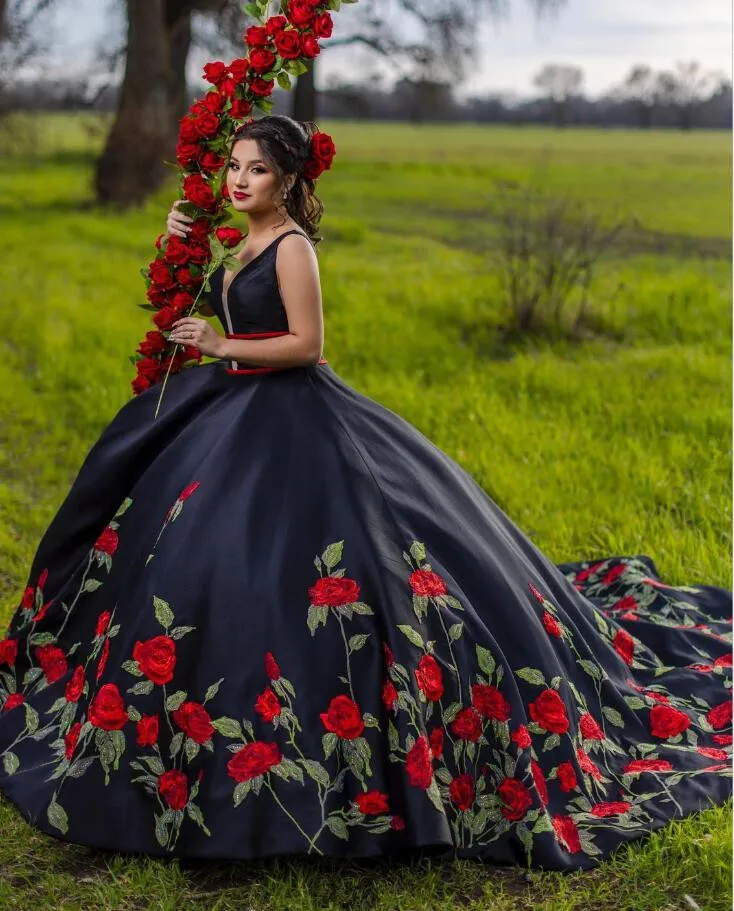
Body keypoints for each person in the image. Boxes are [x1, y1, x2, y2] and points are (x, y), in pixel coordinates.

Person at [0, 114, 730, 871]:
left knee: (337, 568)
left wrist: (222, 345)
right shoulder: (240, 238)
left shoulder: (292, 249)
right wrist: (175, 238)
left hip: (293, 415)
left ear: (287, 181)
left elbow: (307, 344)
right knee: (198, 551)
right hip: (229, 412)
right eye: (233, 168)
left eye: (255, 170)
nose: (238, 180)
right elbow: (207, 304)